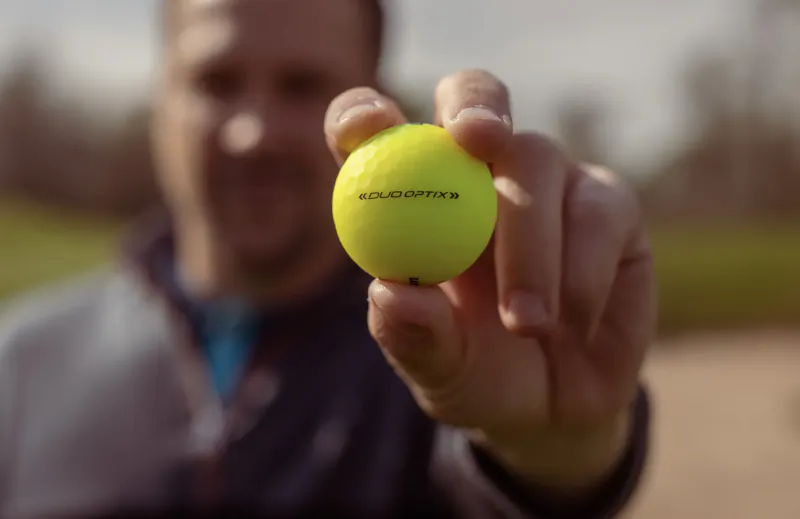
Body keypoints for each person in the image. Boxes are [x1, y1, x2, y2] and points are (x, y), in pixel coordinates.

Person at [0, 0, 655, 517]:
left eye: (302, 84)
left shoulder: (459, 340)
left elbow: (517, 488)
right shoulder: (19, 363)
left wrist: (552, 453)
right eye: (216, 81)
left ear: (372, 100)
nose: (254, 131)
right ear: (160, 96)